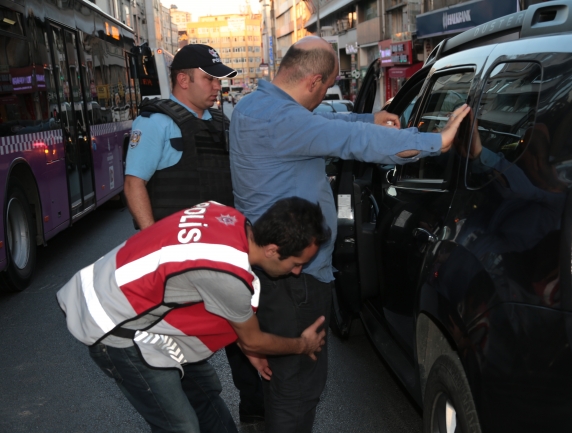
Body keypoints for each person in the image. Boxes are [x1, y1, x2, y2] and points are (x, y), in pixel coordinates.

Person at [229, 36, 470, 432]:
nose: (323, 97)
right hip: (296, 281)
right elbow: (355, 143)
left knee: (285, 386)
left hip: (272, 273)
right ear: (314, 81)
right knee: (297, 390)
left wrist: (366, 118)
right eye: (324, 89)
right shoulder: (285, 121)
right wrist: (436, 141)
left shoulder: (253, 106)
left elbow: (325, 123)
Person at [56, 198, 331, 433]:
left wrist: (249, 345)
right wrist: (302, 345)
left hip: (120, 299)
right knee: (180, 426)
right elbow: (253, 340)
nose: (297, 272)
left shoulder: (224, 213)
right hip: (112, 328)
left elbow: (200, 284)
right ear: (272, 250)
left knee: (205, 394)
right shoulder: (229, 276)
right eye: (297, 264)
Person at [123, 44, 265, 423]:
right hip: (181, 266)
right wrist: (153, 249)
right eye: (209, 78)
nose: (217, 86)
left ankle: (255, 419)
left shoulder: (220, 123)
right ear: (183, 80)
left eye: (219, 79)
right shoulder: (155, 122)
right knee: (180, 361)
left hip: (223, 261)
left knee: (246, 348)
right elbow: (135, 183)